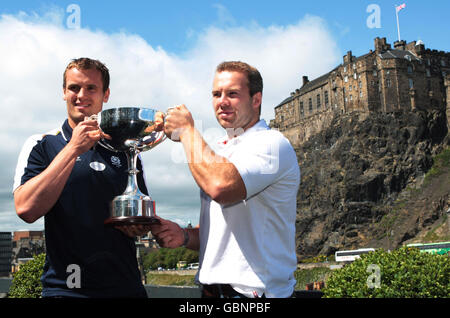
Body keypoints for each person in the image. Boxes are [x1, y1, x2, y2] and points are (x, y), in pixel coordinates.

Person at [151, 61, 300, 298]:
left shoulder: (273, 144)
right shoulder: (220, 150)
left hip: (255, 295)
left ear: (256, 100)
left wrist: (188, 131)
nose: (222, 101)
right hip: (211, 292)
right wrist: (185, 235)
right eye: (216, 94)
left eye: (233, 94)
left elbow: (220, 187)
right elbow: (223, 231)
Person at [13, 57, 149, 298]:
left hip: (126, 288)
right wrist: (73, 148)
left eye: (91, 88)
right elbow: (26, 209)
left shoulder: (128, 149)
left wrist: (138, 226)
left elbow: (135, 218)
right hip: (66, 290)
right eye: (74, 88)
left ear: (105, 95)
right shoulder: (42, 144)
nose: (81, 95)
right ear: (64, 93)